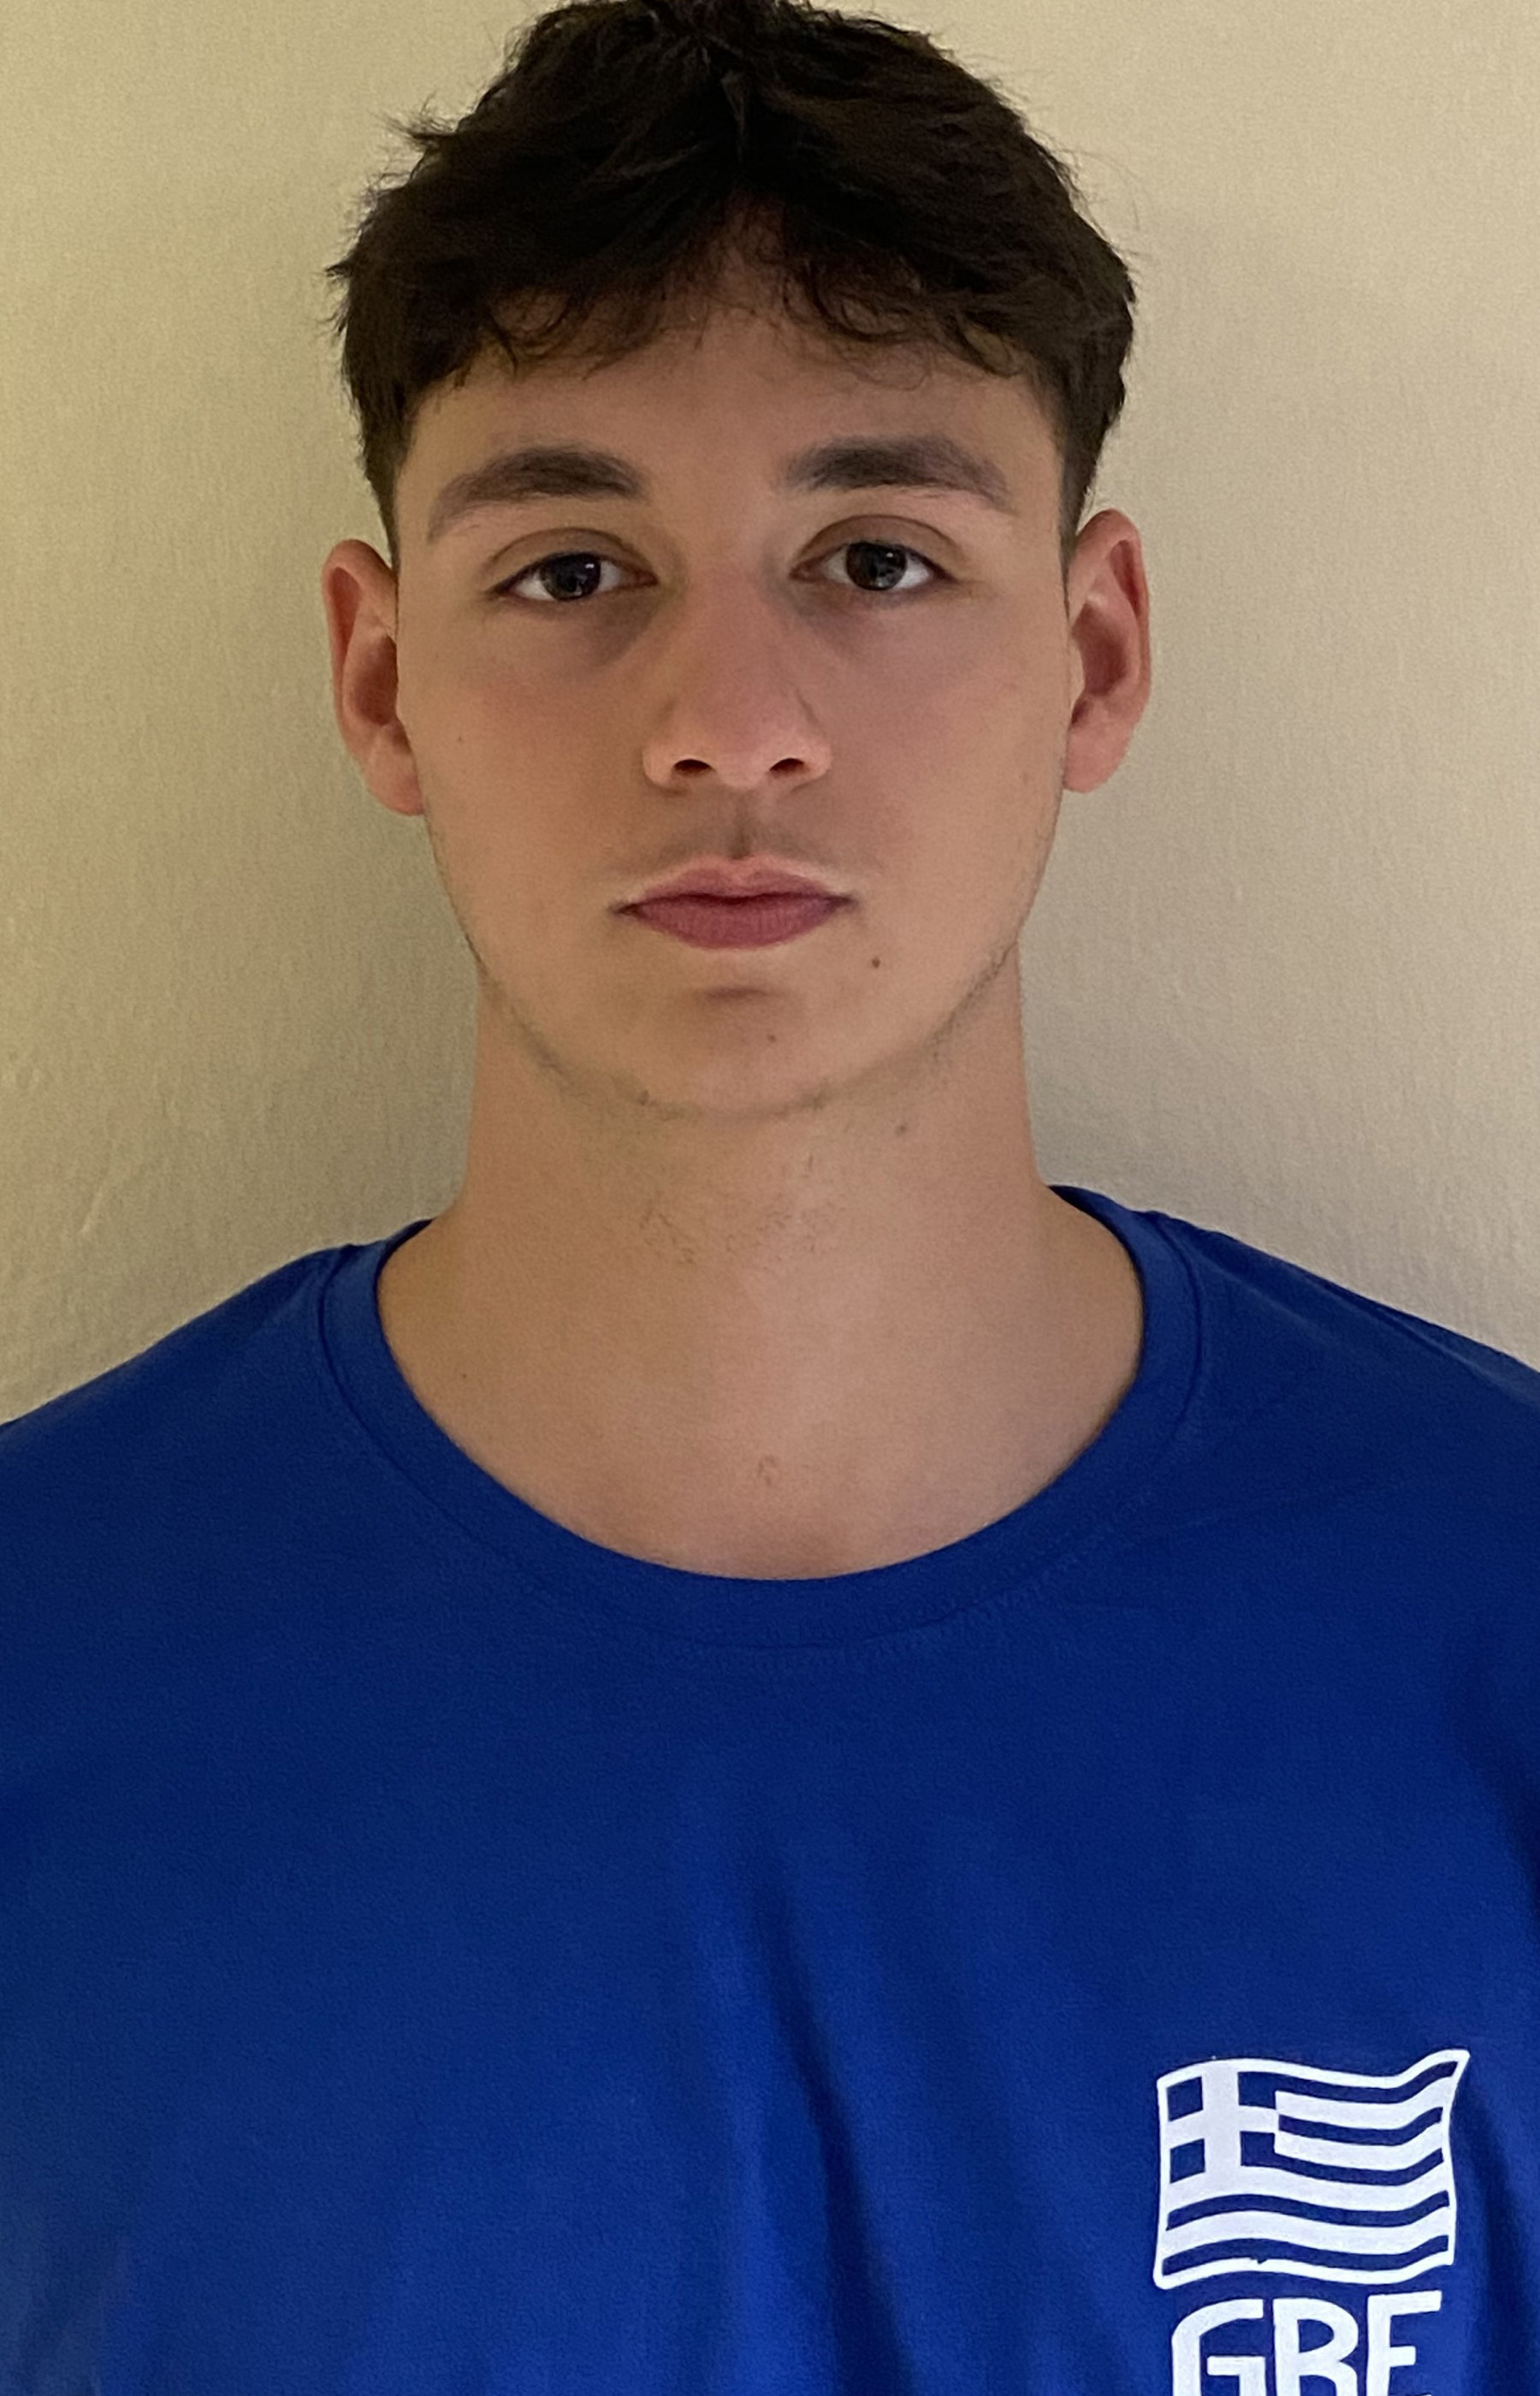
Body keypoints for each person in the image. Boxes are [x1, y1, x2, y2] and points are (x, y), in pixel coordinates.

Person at [2, 0, 1536, 2387]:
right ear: (381, 678)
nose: (728, 720)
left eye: (878, 557)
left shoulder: (1490, 1620)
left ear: (1095, 652)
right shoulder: (46, 1670)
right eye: (570, 570)